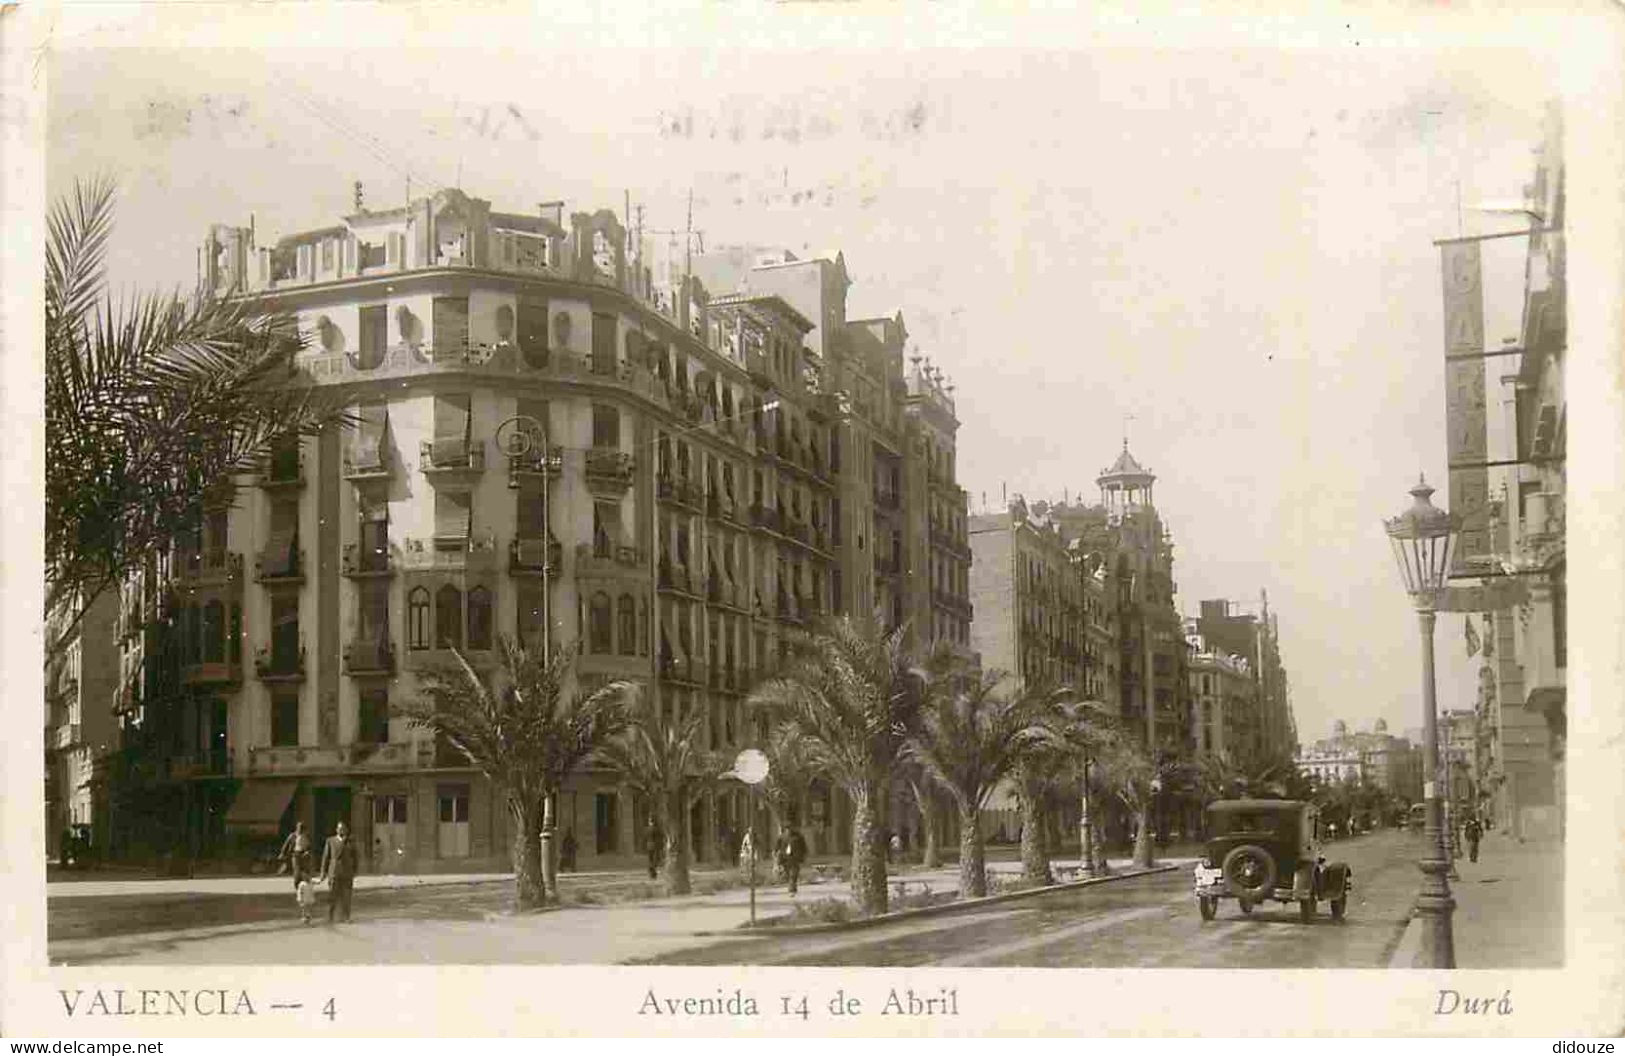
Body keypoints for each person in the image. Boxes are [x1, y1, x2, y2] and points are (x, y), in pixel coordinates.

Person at [318, 820, 359, 923]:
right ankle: (330, 916)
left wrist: (354, 870)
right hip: (334, 871)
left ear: (346, 830)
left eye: (343, 829)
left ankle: (346, 917)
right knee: (332, 895)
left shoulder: (350, 842)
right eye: (340, 828)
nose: (342, 830)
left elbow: (355, 857)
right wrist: (323, 872)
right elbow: (325, 857)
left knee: (347, 896)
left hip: (347, 872)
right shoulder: (330, 841)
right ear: (336, 830)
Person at [279, 822, 313, 891]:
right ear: (296, 828)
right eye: (298, 828)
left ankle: (305, 885)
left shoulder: (306, 836)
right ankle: (297, 885)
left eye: (301, 828)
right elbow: (286, 845)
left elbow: (310, 846)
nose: (299, 830)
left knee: (305, 871)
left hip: (304, 854)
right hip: (295, 854)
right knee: (297, 870)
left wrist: (308, 852)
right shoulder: (292, 836)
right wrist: (282, 853)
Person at [775, 826, 808, 896]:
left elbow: (803, 846)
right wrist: (776, 854)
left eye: (790, 829)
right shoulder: (782, 837)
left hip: (794, 858)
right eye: (787, 829)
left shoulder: (798, 837)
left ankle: (792, 889)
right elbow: (777, 846)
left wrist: (803, 856)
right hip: (785, 858)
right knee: (788, 874)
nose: (788, 830)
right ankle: (792, 886)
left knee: (793, 874)